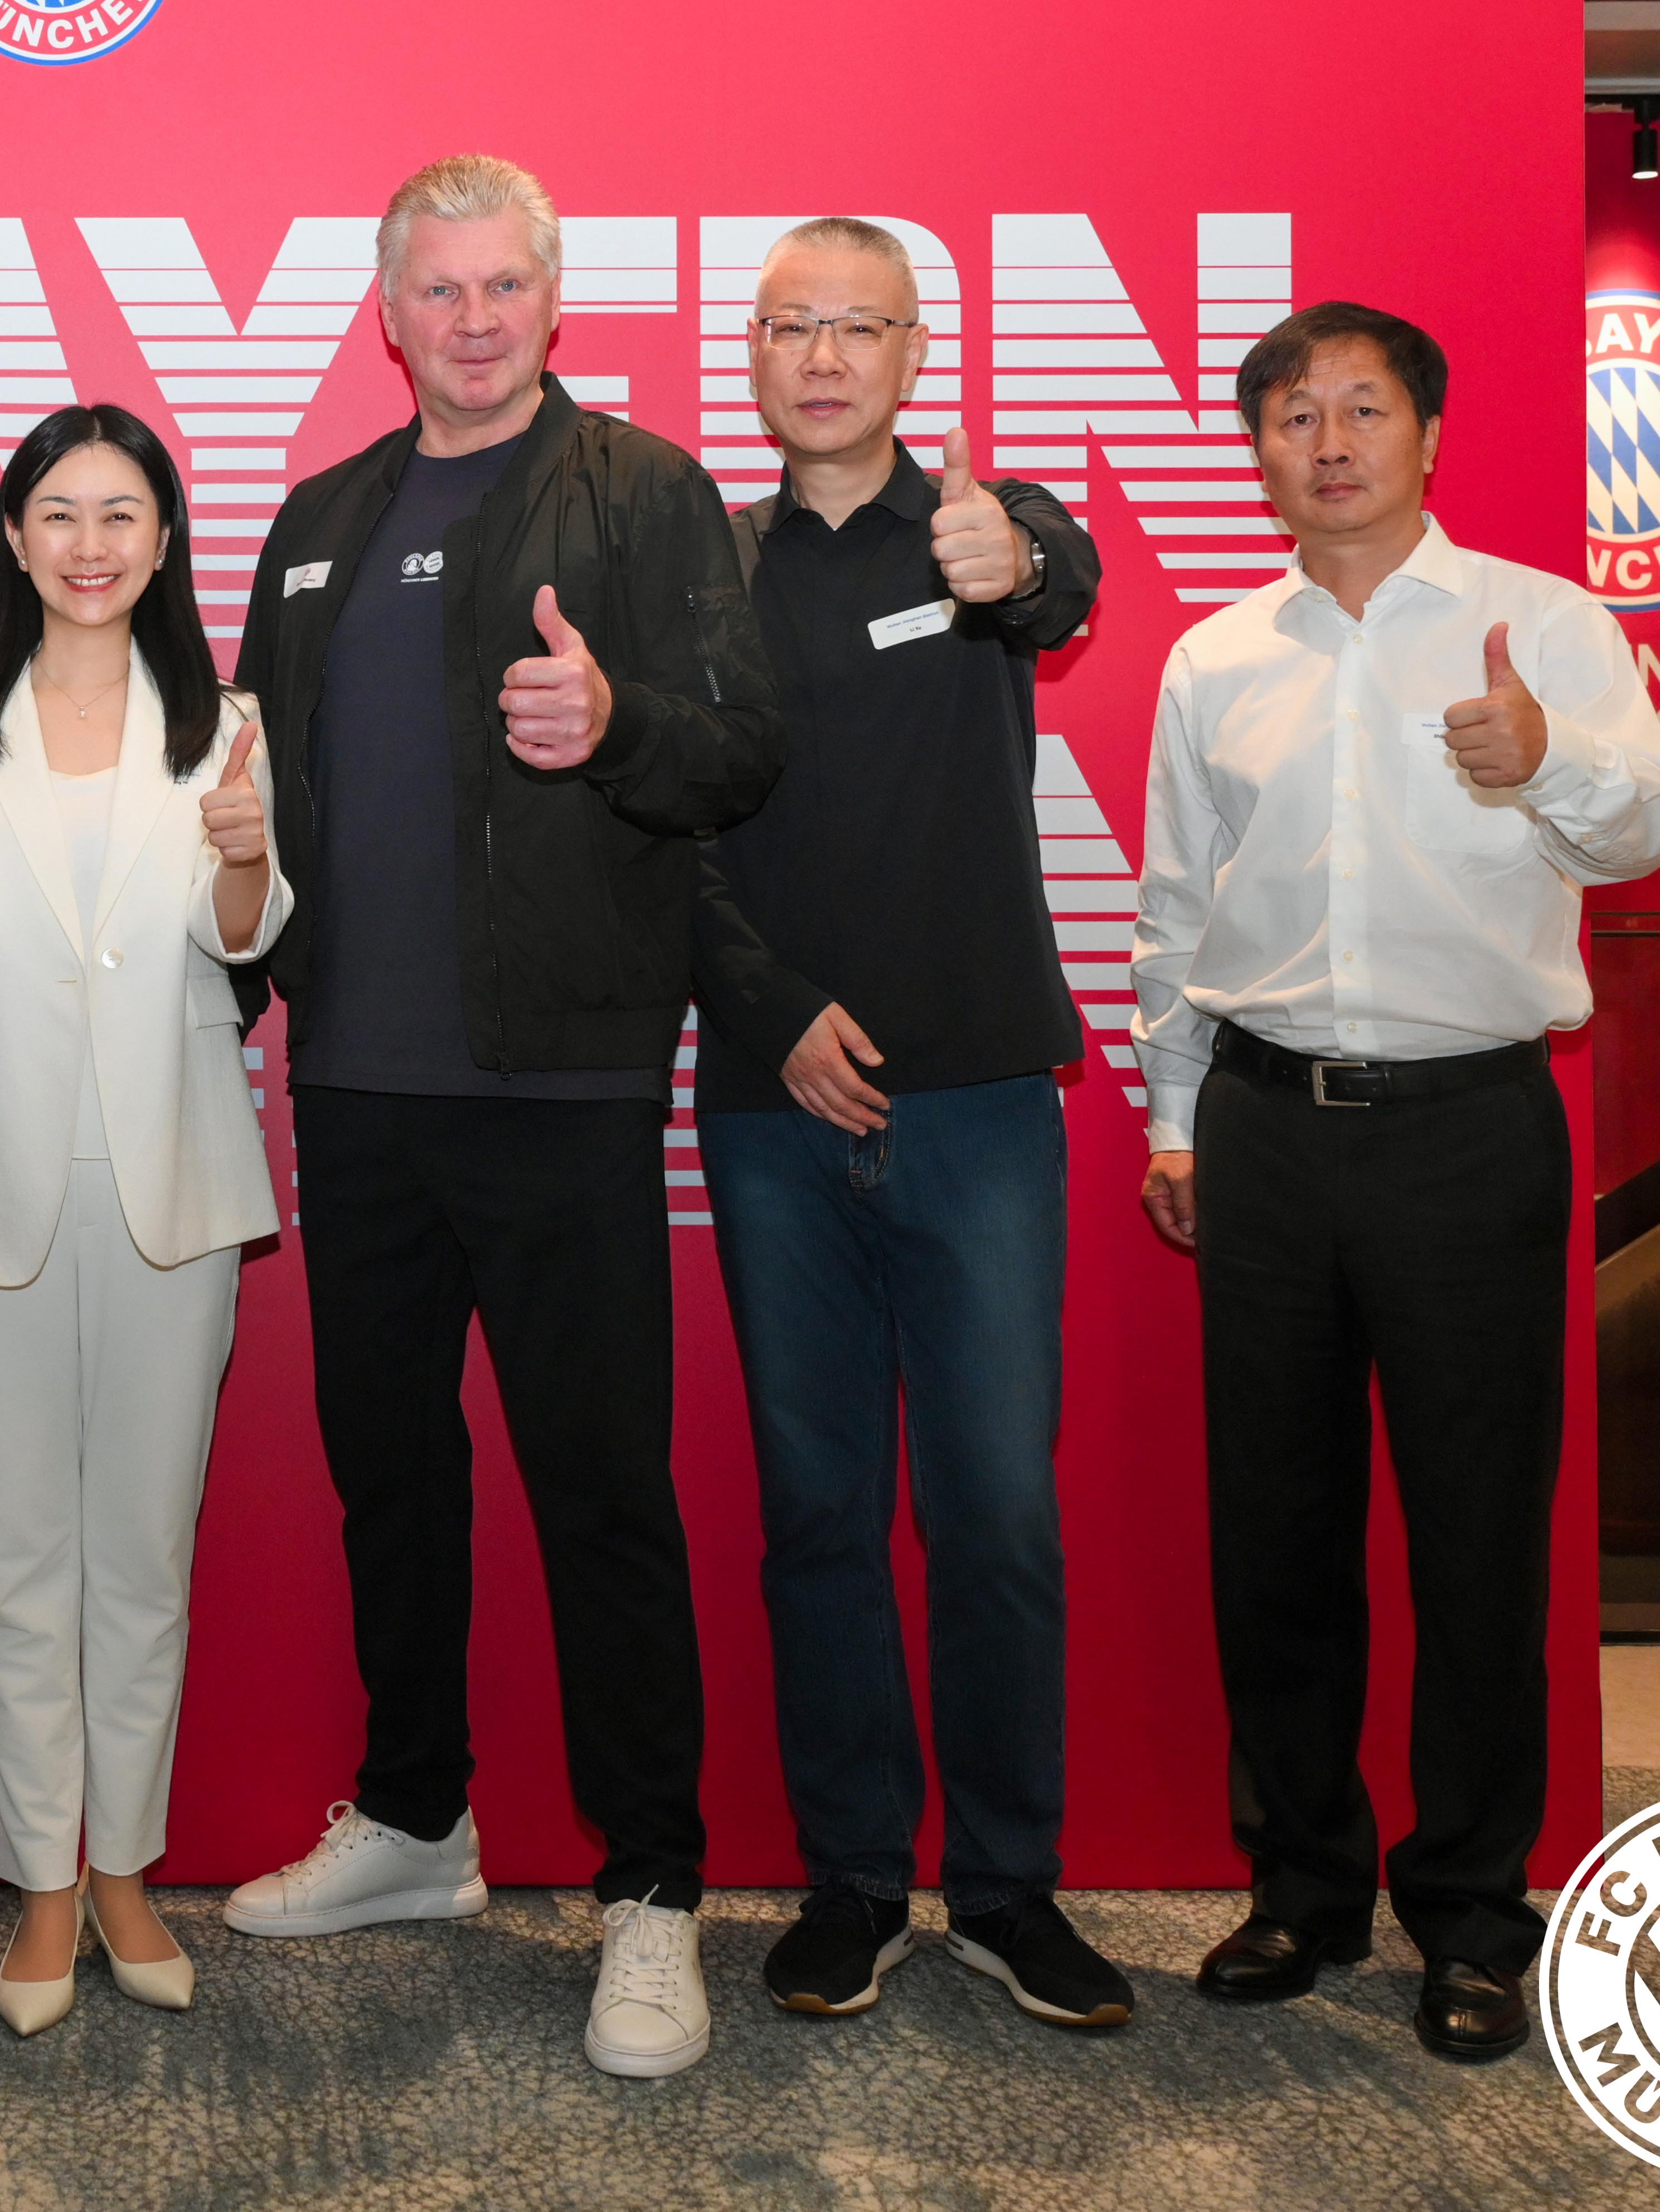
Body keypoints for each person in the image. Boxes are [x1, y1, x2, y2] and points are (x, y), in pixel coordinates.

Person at [218, 154, 785, 2079]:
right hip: (355, 1090)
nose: (472, 321)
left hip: (561, 1085)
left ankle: (652, 1889)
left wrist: (615, 725)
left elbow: (740, 749)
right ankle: (415, 1821)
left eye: (503, 288)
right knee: (392, 1473)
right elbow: (256, 796)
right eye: (437, 292)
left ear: (554, 300)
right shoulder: (319, 521)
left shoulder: (643, 493)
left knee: (603, 1491)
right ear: (391, 315)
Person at [1133, 302, 1660, 2064]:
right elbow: (1172, 916)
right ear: (1262, 450)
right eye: (1296, 416)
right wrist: (1175, 1116)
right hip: (1270, 1130)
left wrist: (1555, 764)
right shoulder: (1217, 658)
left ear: (1429, 434)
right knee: (1277, 1534)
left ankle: (1471, 1910)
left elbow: (1650, 825)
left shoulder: (1545, 624)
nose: (1332, 442)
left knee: (1474, 1533)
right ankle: (1303, 1885)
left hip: (1473, 1129)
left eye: (1365, 410)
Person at [689, 217, 1130, 2031]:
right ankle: (860, 1879)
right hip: (771, 1108)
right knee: (816, 1515)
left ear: (913, 350)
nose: (823, 355)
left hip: (973, 1110)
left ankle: (1009, 1885)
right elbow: (661, 831)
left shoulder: (978, 527)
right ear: (755, 349)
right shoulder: (694, 565)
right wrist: (775, 1014)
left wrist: (1019, 549)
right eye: (793, 323)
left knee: (998, 1517)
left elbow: (1062, 581)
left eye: (859, 325)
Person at [0, 402, 290, 2036]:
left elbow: (245, 929)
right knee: (20, 1557)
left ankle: (128, 1867)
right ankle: (40, 1886)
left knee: (144, 1551)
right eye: (60, 513)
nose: (92, 544)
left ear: (167, 540)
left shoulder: (225, 720)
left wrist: (251, 859)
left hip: (175, 1179)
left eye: (123, 515)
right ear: (11, 536)